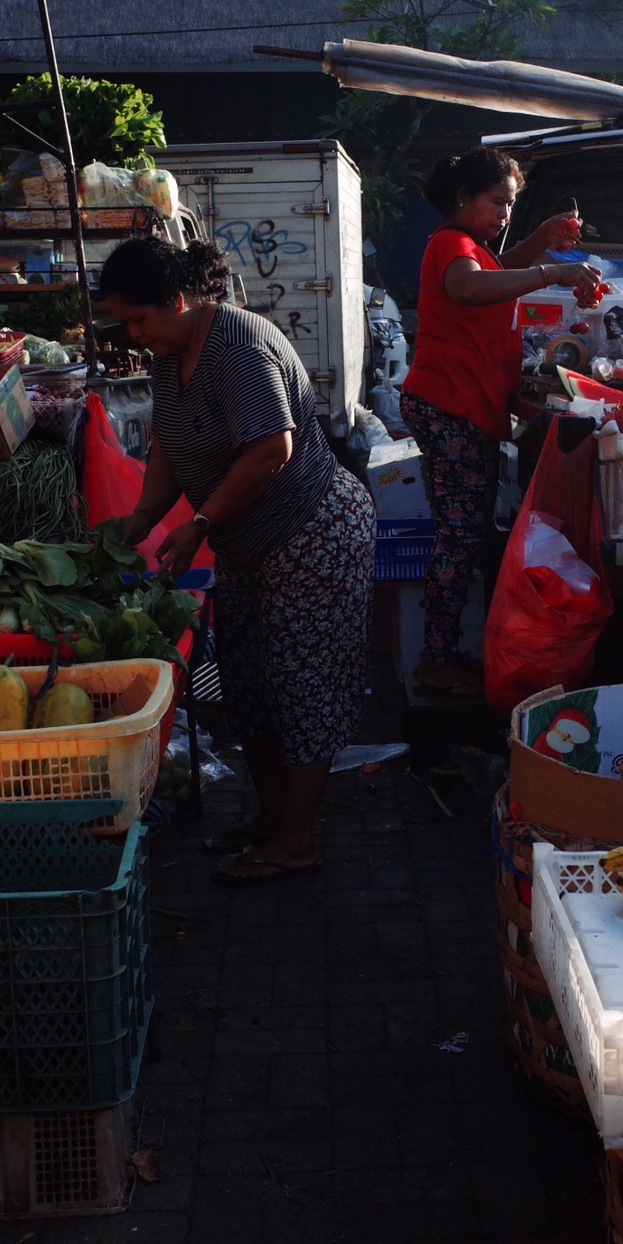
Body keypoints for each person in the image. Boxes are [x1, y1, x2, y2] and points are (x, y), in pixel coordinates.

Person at [103, 236, 376, 886]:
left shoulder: (238, 345)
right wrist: (144, 515)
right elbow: (171, 445)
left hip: (311, 532)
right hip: (247, 540)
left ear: (176, 300)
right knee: (249, 683)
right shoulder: (172, 354)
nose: (137, 335)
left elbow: (270, 451)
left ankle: (298, 840)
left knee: (300, 687)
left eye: (141, 319)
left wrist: (198, 524)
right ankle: (272, 822)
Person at [399, 147, 601, 696]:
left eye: (510, 204)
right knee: (459, 539)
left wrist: (540, 239)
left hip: (464, 405)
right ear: (463, 199)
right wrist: (551, 269)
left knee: (462, 535)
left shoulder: (476, 250)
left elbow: (495, 271)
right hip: (449, 406)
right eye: (497, 202)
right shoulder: (451, 244)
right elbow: (469, 286)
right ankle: (434, 661)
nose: (504, 214)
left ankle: (443, 652)